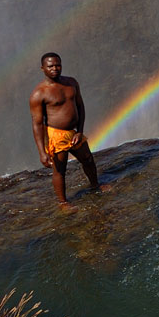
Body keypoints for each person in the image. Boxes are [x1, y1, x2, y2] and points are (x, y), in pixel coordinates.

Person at [29, 52, 104, 210]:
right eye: (50, 66)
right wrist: (42, 153)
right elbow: (37, 124)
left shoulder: (71, 83)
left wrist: (79, 131)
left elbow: (80, 107)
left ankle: (95, 185)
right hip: (56, 135)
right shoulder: (39, 93)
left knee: (88, 159)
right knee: (60, 170)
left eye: (58, 65)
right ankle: (63, 202)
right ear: (43, 68)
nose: (55, 68)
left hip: (74, 132)